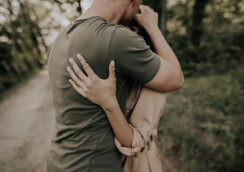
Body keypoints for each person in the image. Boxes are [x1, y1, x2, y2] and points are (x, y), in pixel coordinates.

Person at [47, 0, 184, 171]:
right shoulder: (115, 38)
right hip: (94, 164)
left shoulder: (60, 39)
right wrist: (152, 26)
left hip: (58, 161)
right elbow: (176, 79)